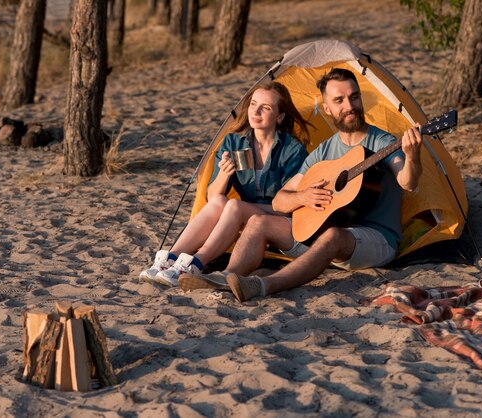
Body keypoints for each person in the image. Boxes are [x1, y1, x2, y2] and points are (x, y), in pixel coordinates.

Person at [180, 68, 423, 301]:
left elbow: (408, 182)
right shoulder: (325, 150)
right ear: (327, 108)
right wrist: (303, 197)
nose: (349, 106)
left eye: (354, 97)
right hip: (325, 234)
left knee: (332, 236)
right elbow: (280, 199)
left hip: (375, 239)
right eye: (339, 100)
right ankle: (227, 277)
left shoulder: (382, 142)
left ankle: (263, 285)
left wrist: (412, 156)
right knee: (258, 221)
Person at [140, 81, 312, 287]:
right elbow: (211, 198)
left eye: (265, 108)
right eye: (253, 104)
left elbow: (289, 204)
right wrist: (223, 173)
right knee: (221, 202)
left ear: (280, 116)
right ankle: (170, 258)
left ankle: (196, 263)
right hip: (246, 211)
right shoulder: (234, 142)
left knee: (234, 206)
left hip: (280, 216)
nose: (255, 111)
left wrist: (244, 208)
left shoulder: (292, 149)